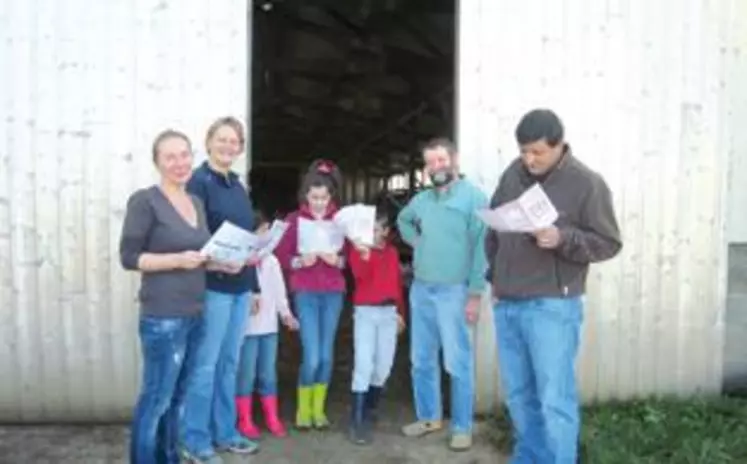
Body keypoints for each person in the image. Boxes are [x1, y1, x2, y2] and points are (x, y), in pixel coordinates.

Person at [486, 109, 622, 463]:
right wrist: (494, 279)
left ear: (559, 145)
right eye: (523, 151)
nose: (529, 159)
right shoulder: (512, 176)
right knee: (518, 394)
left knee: (554, 398)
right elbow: (494, 230)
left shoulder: (586, 184)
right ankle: (528, 458)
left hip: (552, 307)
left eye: (537, 152)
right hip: (509, 303)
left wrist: (563, 237)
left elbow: (608, 242)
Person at [121, 130, 239, 464]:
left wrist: (220, 264)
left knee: (177, 399)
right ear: (157, 162)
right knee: (156, 399)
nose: (179, 163)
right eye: (170, 157)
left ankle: (169, 457)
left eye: (184, 155)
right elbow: (129, 257)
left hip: (195, 314)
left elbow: (198, 255)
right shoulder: (145, 201)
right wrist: (175, 260)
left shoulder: (196, 203)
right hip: (163, 317)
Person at [396, 137, 488, 451]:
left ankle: (462, 426)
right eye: (430, 162)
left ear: (454, 160)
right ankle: (429, 417)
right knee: (421, 359)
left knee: (458, 361)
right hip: (421, 289)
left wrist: (475, 293)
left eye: (441, 160)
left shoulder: (474, 198)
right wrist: (416, 242)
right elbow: (402, 220)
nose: (436, 166)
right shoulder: (422, 201)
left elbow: (482, 249)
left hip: (455, 291)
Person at [179, 117, 261, 462]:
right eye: (222, 139)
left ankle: (225, 432)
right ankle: (194, 439)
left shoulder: (237, 185)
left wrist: (254, 286)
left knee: (229, 363)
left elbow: (245, 239)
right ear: (209, 141)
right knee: (206, 365)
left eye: (235, 142)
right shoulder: (199, 183)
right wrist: (213, 263)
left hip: (241, 286)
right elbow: (192, 236)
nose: (229, 146)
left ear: (240, 148)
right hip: (213, 286)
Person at [274, 159, 347, 430]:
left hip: (333, 292)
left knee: (327, 355)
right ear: (305, 195)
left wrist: (336, 261)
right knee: (312, 355)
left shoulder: (340, 221)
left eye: (323, 197)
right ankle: (303, 409)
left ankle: (319, 410)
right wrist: (298, 262)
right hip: (305, 291)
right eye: (313, 197)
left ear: (331, 197)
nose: (318, 203)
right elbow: (281, 255)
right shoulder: (293, 221)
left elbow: (349, 258)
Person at [235, 210, 300, 439]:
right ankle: (245, 419)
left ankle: (272, 417)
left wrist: (286, 314)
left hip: (269, 328)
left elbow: (279, 291)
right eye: (260, 232)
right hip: (248, 330)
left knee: (268, 374)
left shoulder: (271, 261)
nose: (264, 238)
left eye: (267, 232)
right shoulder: (239, 261)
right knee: (246, 375)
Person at [346, 210, 406, 445]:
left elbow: (396, 284)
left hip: (389, 312)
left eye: (376, 229)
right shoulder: (359, 250)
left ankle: (370, 408)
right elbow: (359, 276)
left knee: (383, 365)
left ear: (385, 232)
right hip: (366, 312)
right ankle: (357, 419)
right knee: (363, 363)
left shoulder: (391, 253)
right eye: (368, 229)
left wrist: (401, 312)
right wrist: (363, 255)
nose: (371, 233)